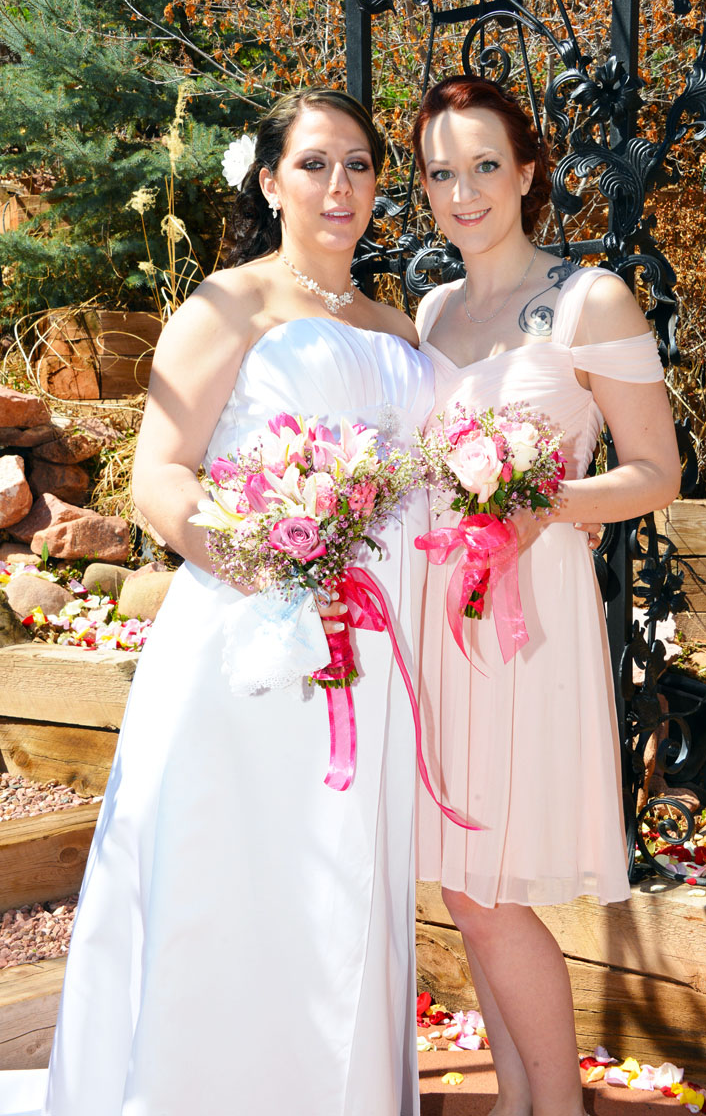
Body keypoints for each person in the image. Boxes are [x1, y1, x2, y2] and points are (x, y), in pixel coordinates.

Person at [0, 88, 433, 1116]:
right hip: (247, 641)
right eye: (317, 164)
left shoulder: (394, 322)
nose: (341, 186)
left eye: (360, 165)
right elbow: (159, 475)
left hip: (367, 652)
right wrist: (271, 570)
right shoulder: (225, 304)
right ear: (270, 179)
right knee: (230, 881)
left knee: (338, 894)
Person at [412, 76, 681, 1116]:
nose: (463, 191)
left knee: (485, 892)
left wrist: (544, 501)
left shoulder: (589, 297)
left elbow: (655, 470)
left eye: (484, 165)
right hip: (447, 619)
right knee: (465, 890)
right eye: (441, 172)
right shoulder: (430, 310)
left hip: (530, 618)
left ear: (526, 171)